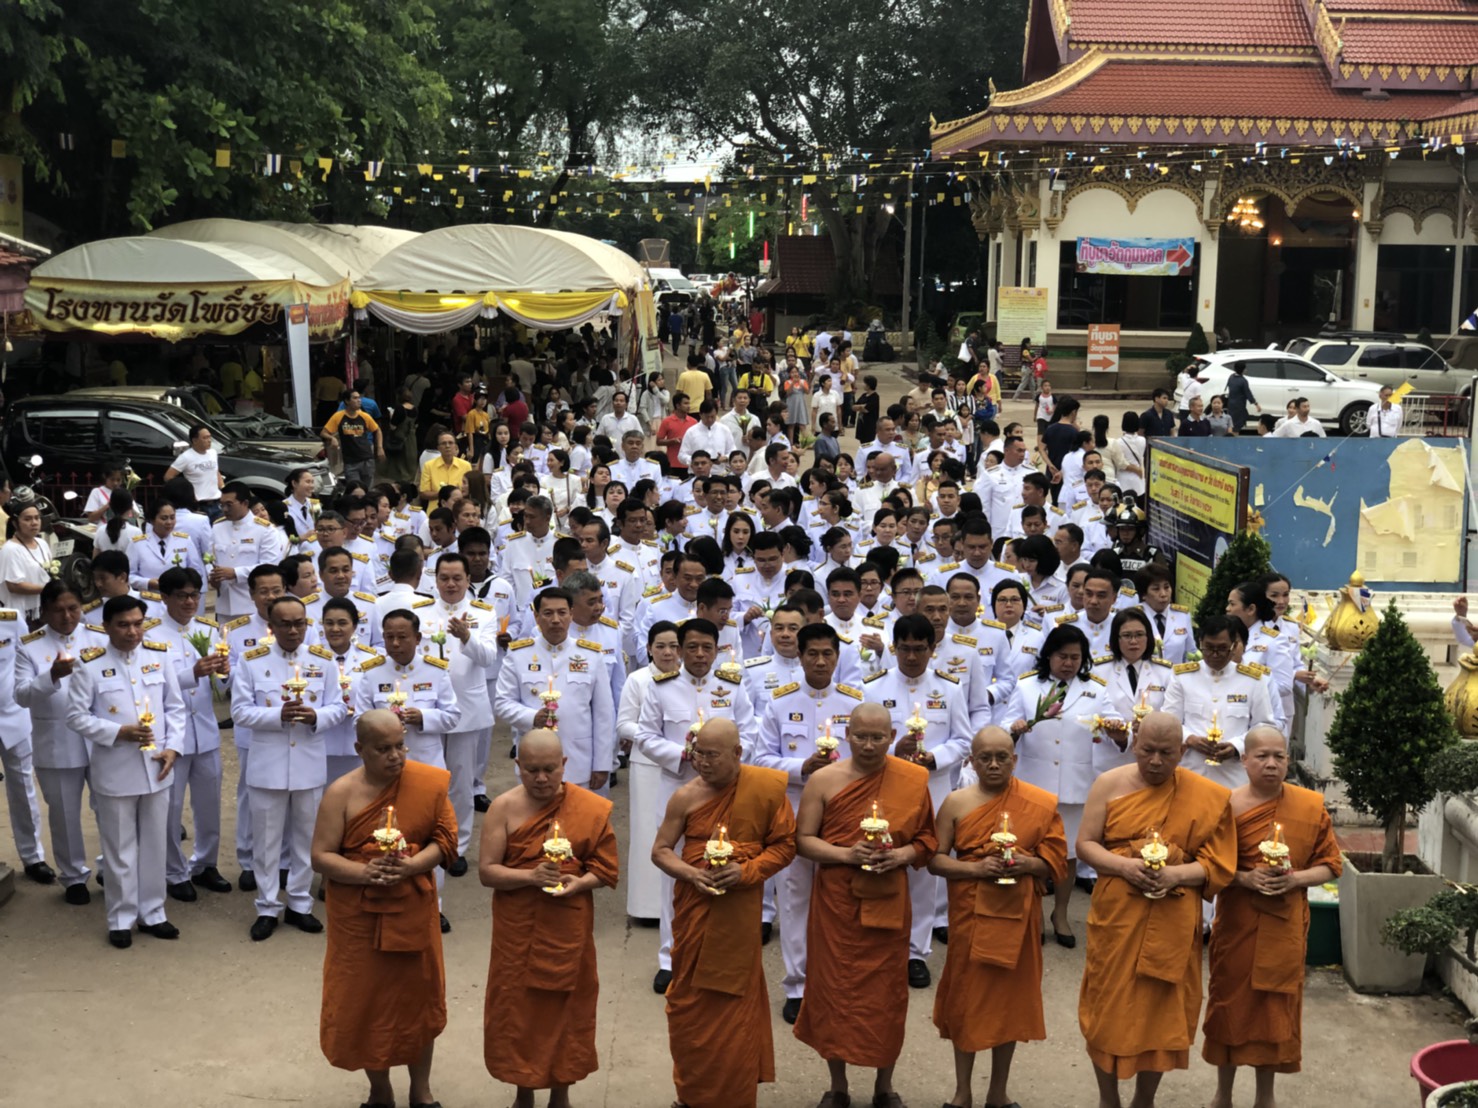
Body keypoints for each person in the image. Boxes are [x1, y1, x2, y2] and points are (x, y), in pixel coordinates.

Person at [1076, 712, 1238, 1108]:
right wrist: (1124, 866)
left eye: (1167, 753)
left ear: (1182, 751)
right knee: (1106, 1008)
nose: (1155, 761)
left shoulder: (1207, 795)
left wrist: (1175, 875)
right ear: (1134, 743)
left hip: (1173, 915)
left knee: (1161, 1016)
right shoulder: (1108, 784)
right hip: (1118, 918)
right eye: (1147, 750)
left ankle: (1144, 1100)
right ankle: (1108, 1099)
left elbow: (1218, 864)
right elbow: (1086, 845)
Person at [792, 701, 938, 1108]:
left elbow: (927, 839)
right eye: (860, 736)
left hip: (888, 900)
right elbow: (803, 840)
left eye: (878, 737)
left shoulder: (911, 778)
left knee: (886, 996)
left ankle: (883, 1087)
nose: (869, 745)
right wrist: (845, 854)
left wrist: (904, 856)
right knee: (831, 991)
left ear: (892, 737)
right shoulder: (824, 780)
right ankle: (837, 1086)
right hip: (836, 902)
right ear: (846, 735)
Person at [312, 709, 457, 1108]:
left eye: (400, 746)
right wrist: (364, 872)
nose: (395, 756)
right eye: (383, 749)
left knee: (418, 1000)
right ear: (360, 749)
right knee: (366, 1001)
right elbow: (321, 857)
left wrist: (412, 865)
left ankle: (420, 1090)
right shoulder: (341, 793)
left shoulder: (426, 783)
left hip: (412, 908)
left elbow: (445, 839)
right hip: (358, 914)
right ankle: (380, 1090)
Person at [653, 719, 797, 1108]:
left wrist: (747, 871)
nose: (702, 762)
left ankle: (733, 1096)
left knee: (734, 1006)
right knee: (689, 1003)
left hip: (738, 912)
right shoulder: (685, 796)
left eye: (712, 755)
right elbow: (661, 849)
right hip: (696, 907)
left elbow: (784, 845)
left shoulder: (764, 789)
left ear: (738, 753)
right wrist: (692, 874)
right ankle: (692, 1094)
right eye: (697, 753)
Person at [1201, 726, 1341, 1108]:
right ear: (1244, 760)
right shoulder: (1224, 806)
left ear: (1288, 761)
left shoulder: (1310, 805)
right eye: (1261, 756)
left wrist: (1295, 880)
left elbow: (1331, 865)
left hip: (1284, 927)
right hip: (1238, 926)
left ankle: (1266, 1098)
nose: (1271, 764)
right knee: (1229, 1007)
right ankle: (1223, 1095)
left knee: (1275, 1013)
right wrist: (1244, 877)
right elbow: (1210, 867)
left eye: (1279, 756)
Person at [479, 729, 619, 1108]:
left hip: (567, 926)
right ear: (518, 767)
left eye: (550, 769)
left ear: (565, 766)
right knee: (518, 1010)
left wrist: (579, 883)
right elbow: (488, 872)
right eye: (532, 770)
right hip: (517, 930)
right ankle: (523, 1092)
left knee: (568, 1009)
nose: (541, 778)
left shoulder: (588, 807)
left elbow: (605, 870)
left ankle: (561, 1094)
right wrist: (530, 876)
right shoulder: (503, 808)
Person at [930, 726, 1068, 1108]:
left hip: (1018, 919)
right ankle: (962, 1092)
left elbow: (1056, 863)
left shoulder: (1039, 803)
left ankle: (998, 1092)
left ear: (1014, 760)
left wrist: (1028, 863)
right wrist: (976, 870)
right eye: (985, 758)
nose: (993, 764)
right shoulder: (956, 803)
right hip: (971, 916)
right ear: (971, 761)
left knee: (1010, 1006)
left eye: (1001, 757)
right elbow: (935, 861)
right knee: (966, 1002)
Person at [66, 595, 187, 948]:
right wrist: (117, 732)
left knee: (154, 844)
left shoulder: (158, 656)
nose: (132, 631)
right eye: (123, 624)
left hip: (157, 767)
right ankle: (120, 917)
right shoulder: (88, 665)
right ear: (106, 627)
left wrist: (174, 748)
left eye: (138, 623)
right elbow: (76, 716)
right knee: (119, 847)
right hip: (115, 769)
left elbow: (175, 708)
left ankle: (154, 912)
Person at [233, 595, 349, 940]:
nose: (294, 630)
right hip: (268, 764)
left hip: (308, 762)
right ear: (272, 625)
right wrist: (275, 715)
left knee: (306, 837)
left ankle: (300, 903)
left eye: (300, 623)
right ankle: (267, 906)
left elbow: (338, 708)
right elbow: (239, 712)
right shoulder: (252, 661)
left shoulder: (324, 661)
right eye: (285, 623)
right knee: (266, 841)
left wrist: (317, 716)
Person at [322, 390, 386, 488]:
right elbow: (324, 432)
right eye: (355, 398)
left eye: (359, 398)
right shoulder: (338, 416)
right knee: (354, 490)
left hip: (367, 459)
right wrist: (332, 438)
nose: (359, 400)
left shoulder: (365, 416)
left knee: (367, 490)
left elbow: (377, 430)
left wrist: (380, 447)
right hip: (350, 462)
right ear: (347, 401)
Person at [164, 424, 224, 517]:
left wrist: (223, 488)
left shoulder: (213, 453)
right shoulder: (186, 457)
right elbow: (168, 477)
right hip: (199, 505)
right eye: (205, 438)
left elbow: (216, 471)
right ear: (195, 440)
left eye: (209, 437)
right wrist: (187, 494)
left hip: (217, 503)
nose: (209, 440)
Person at [418, 430, 473, 502]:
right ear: (438, 448)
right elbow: (423, 493)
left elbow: (471, 490)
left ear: (456, 447)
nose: (447, 446)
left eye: (450, 443)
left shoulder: (466, 465)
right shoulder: (429, 465)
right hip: (436, 509)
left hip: (459, 508)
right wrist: (444, 494)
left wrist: (456, 495)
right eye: (443, 443)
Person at [1225, 362, 1261, 434]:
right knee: (1236, 426)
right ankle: (1234, 440)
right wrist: (1256, 404)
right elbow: (1248, 393)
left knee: (1231, 424)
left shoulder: (1231, 377)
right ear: (1243, 370)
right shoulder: (1243, 381)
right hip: (1239, 406)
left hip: (1231, 405)